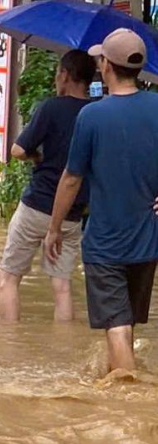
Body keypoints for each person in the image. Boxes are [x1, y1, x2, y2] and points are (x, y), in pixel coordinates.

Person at [44, 29, 158, 373]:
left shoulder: (92, 116)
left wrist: (54, 228)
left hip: (106, 243)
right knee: (127, 323)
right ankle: (116, 392)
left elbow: (72, 178)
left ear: (106, 66)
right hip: (149, 241)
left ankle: (126, 404)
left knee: (118, 326)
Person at [0, 50, 96, 322]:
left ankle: (8, 348)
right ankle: (62, 352)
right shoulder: (96, 113)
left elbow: (17, 150)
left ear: (64, 75)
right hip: (71, 214)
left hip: (37, 207)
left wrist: (37, 156)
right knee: (62, 287)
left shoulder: (51, 107)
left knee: (9, 278)